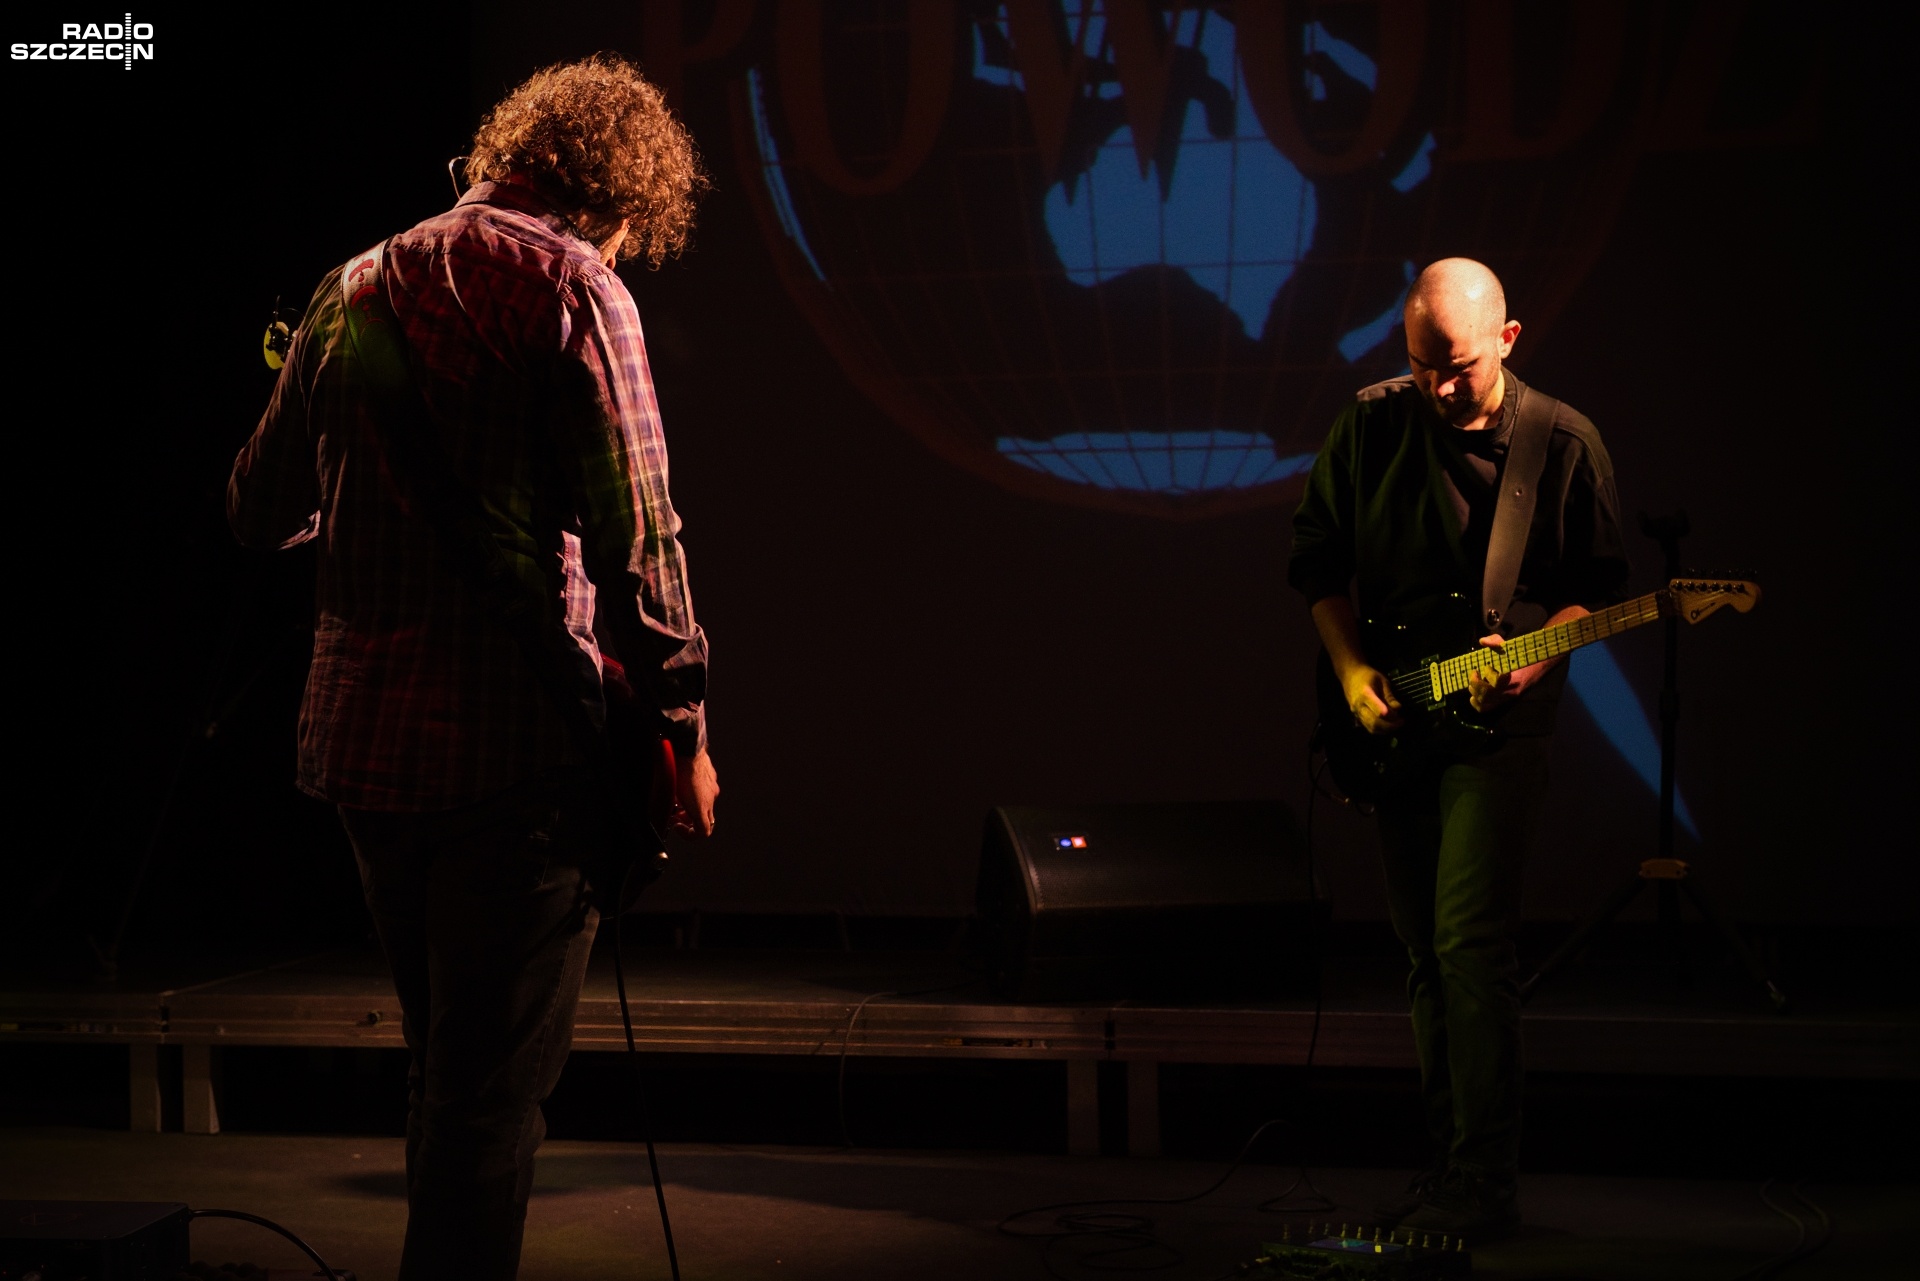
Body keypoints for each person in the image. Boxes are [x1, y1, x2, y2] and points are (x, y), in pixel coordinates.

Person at [227, 55, 719, 1279]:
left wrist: (345, 452)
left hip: (365, 754)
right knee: (486, 1105)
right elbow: (640, 536)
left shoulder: (351, 288)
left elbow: (259, 512)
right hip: (517, 758)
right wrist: (685, 726)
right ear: (618, 196)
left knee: (446, 1079)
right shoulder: (578, 287)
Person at [1288, 258, 1627, 1241]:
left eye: (1461, 367)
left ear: (1508, 341)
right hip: (1395, 722)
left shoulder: (1563, 443)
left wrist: (1532, 659)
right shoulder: (1370, 425)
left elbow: (1594, 592)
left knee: (1470, 944)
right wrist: (1353, 674)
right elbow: (1317, 562)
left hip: (1497, 731)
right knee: (1422, 953)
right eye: (1421, 365)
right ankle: (1446, 1168)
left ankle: (1484, 1180)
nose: (1439, 386)